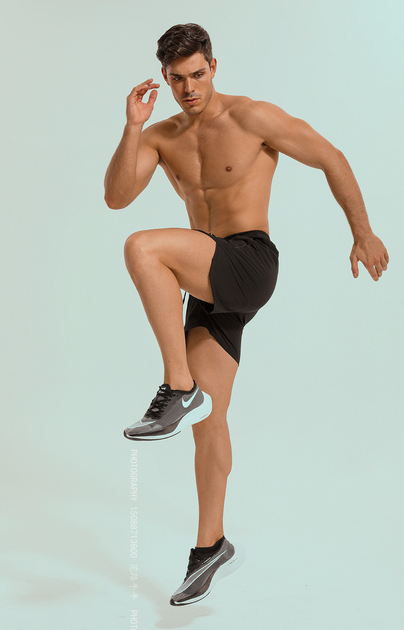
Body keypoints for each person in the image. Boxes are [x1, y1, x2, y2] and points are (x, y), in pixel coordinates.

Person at [104, 23, 389, 606]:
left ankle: (176, 386)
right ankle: (210, 546)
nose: (189, 88)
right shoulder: (160, 136)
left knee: (142, 247)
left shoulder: (252, 117)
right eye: (177, 79)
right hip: (208, 279)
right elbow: (116, 196)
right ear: (164, 78)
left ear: (214, 66)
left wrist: (362, 233)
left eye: (197, 74)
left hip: (249, 259)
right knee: (210, 420)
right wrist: (132, 127)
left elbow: (331, 157)